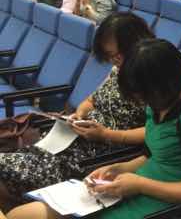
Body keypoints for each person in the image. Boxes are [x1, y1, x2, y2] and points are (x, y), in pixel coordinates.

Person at [9, 38, 181, 219]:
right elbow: (150, 156)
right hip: (131, 187)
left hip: (164, 202)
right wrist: (118, 168)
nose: (143, 104)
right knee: (20, 214)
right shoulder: (158, 100)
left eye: (144, 96)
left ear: (164, 85)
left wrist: (139, 184)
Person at [0, 13, 151, 212]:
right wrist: (79, 114)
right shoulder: (117, 69)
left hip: (98, 154)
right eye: (110, 56)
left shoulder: (151, 77)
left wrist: (105, 134)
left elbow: (153, 132)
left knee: (9, 171)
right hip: (71, 140)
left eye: (116, 55)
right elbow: (91, 100)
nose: (114, 60)